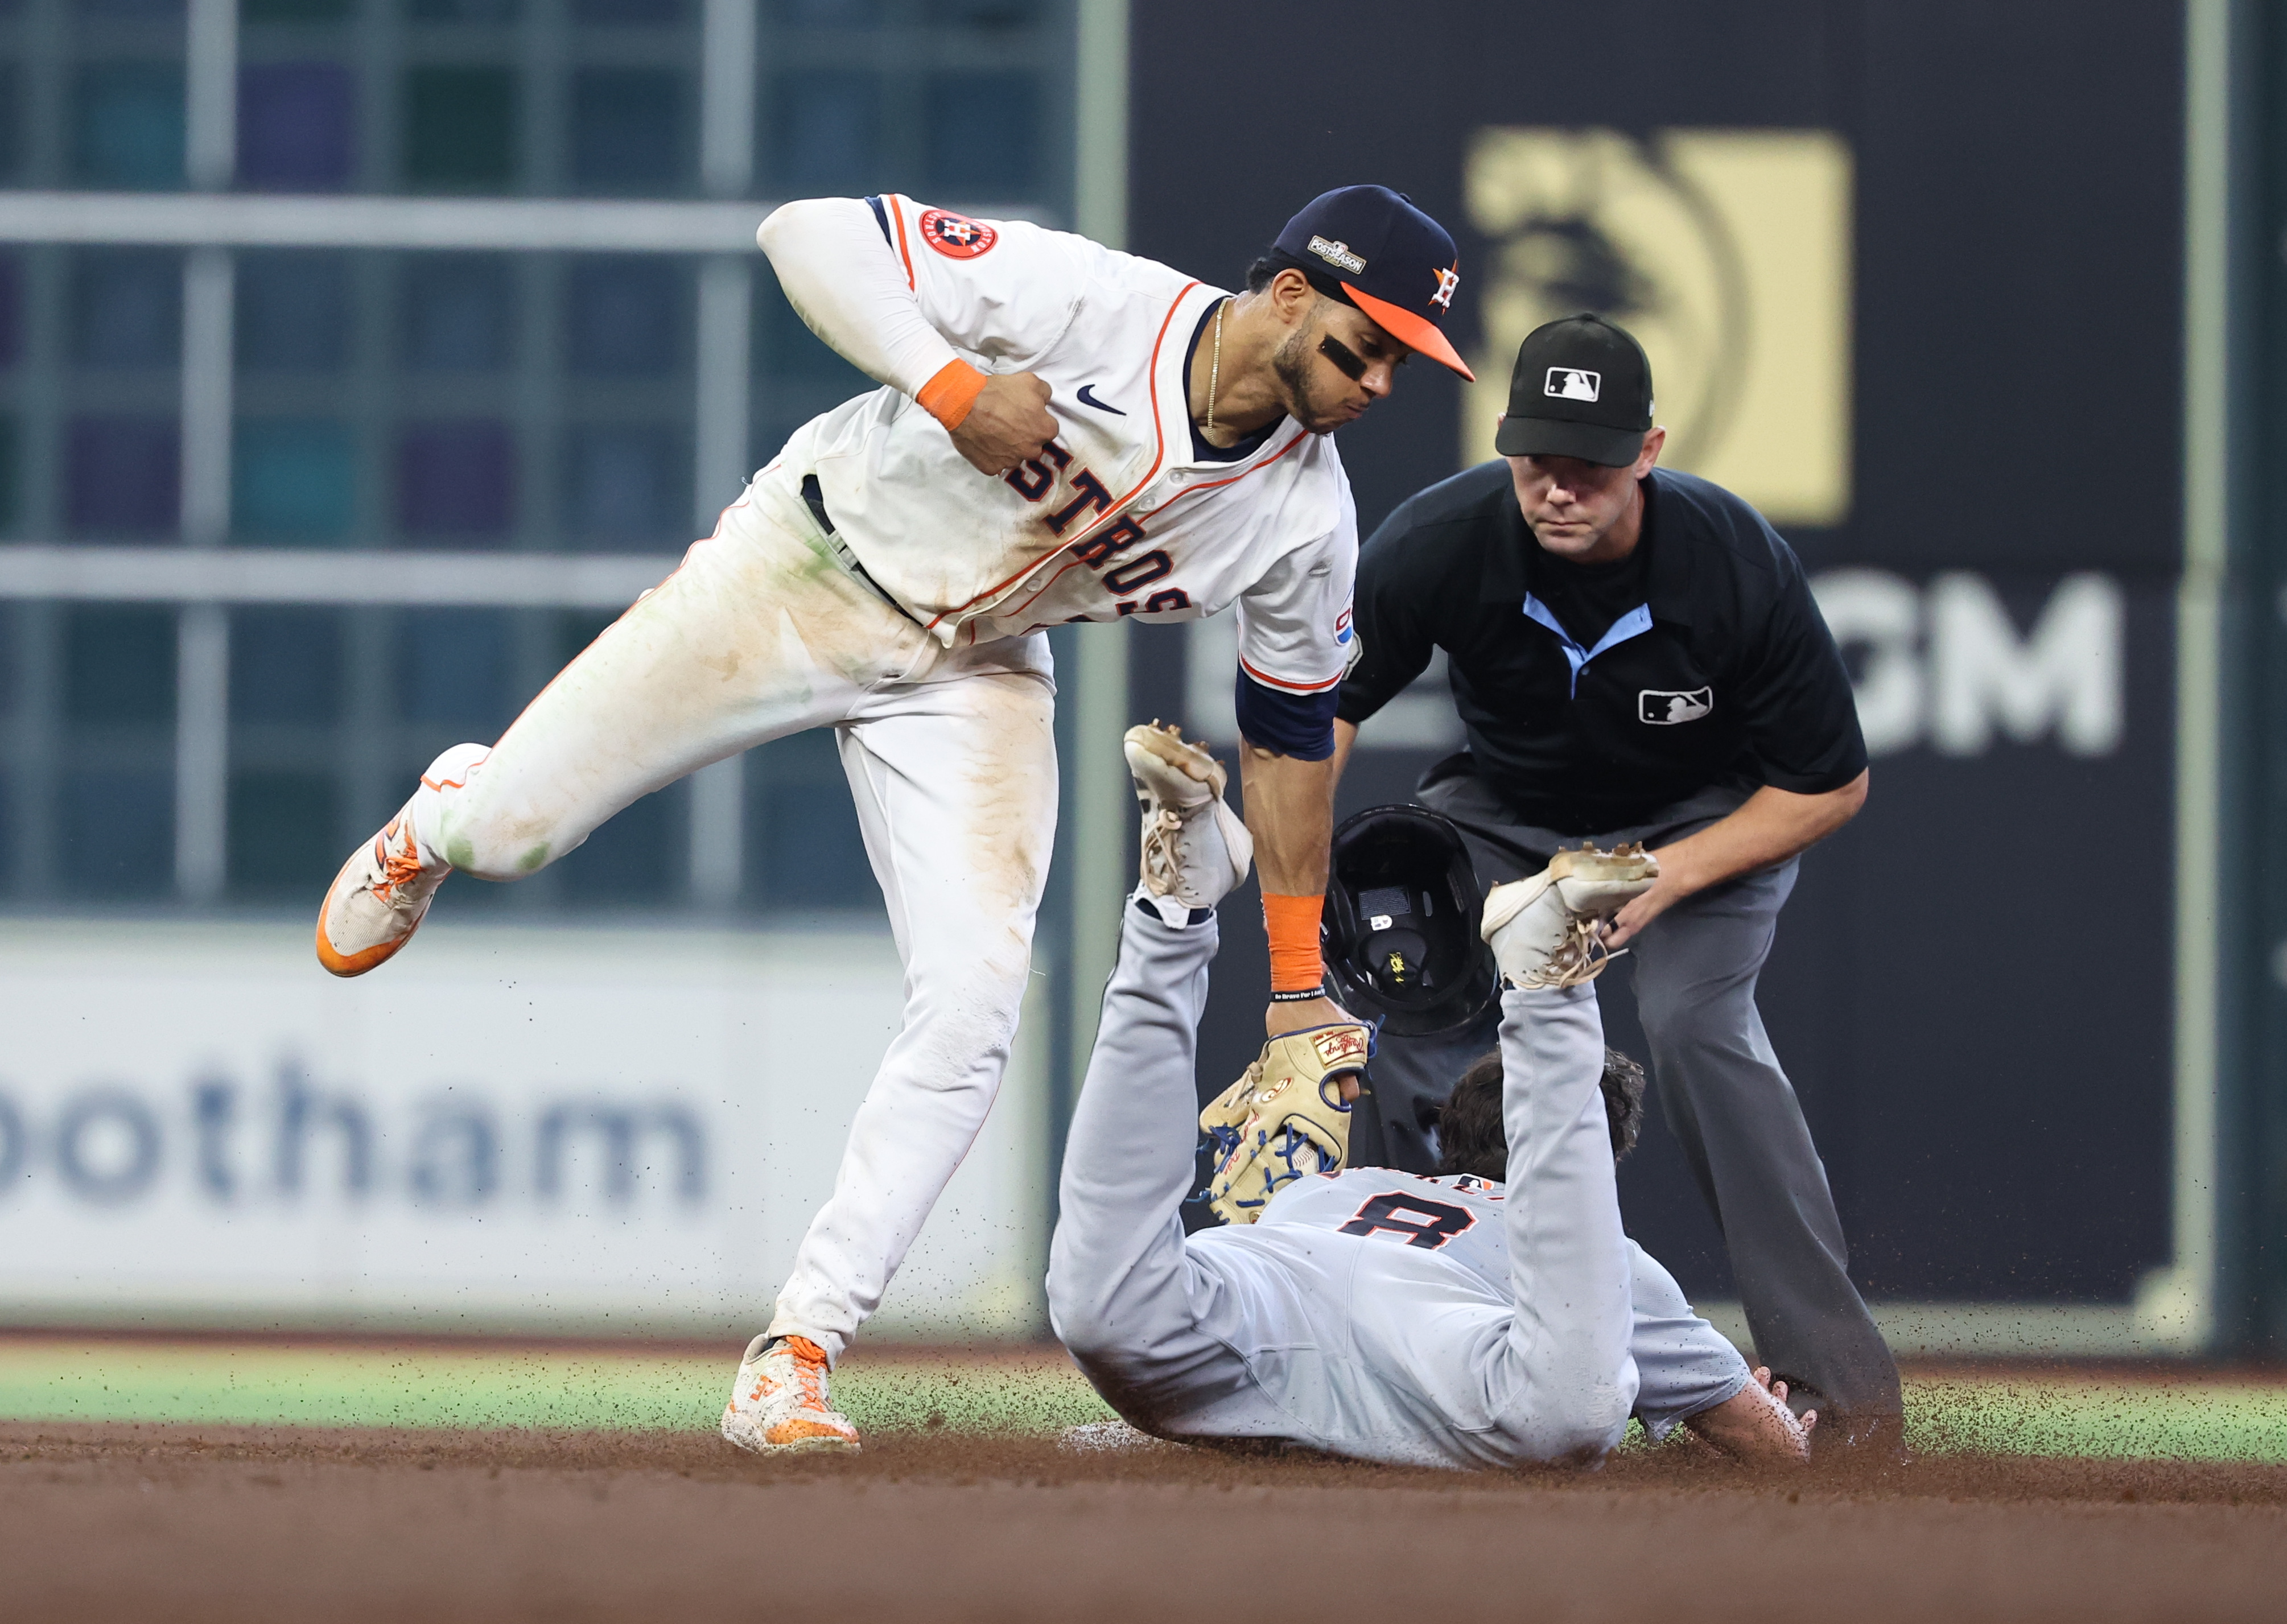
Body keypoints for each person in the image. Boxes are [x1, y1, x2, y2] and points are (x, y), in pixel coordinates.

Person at [309, 186, 1473, 1453]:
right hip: (803, 571)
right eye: (1372, 346)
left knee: (977, 1000)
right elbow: (804, 236)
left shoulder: (1304, 515)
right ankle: (443, 819)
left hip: (976, 667)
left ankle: (797, 1349)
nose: (1381, 382)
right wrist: (950, 385)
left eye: (1406, 364)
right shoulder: (1092, 303)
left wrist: (1297, 984)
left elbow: (1292, 740)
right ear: (1291, 294)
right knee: (512, 836)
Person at [1332, 314, 1902, 1450]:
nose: (1558, 488)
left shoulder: (1728, 561)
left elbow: (1828, 785)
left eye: (1589, 463)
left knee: (1694, 1023)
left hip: (1699, 819)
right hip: (1509, 812)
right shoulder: (1440, 541)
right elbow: (1323, 713)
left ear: (1647, 450)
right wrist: (1297, 933)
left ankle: (1835, 1390)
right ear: (1505, 446)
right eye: (1537, 458)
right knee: (1412, 1017)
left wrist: (1666, 872)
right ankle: (1376, 1340)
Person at [1044, 727, 1812, 1469]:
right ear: (1585, 1176)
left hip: (1256, 1304)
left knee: (1102, 1311)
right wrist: (1777, 1425)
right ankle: (1545, 989)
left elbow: (1283, 1402)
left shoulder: (1334, 1189)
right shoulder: (1614, 1263)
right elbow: (1761, 1440)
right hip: (1444, 1362)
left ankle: (1170, 913)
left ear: (1448, 1135)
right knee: (1570, 1418)